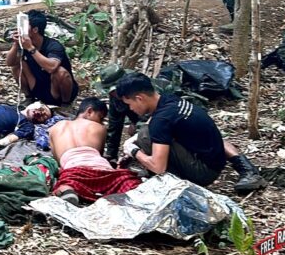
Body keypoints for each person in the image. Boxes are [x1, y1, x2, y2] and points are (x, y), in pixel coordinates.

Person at [115, 72, 266, 193]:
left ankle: (174, 180)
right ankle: (246, 168)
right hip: (215, 159)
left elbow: (158, 166)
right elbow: (156, 120)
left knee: (145, 136)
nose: (131, 109)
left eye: (130, 104)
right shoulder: (170, 100)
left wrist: (134, 151)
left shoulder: (161, 121)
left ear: (139, 98)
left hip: (204, 173)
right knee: (149, 132)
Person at [49, 97, 142, 205]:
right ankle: (132, 191)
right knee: (125, 180)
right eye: (101, 117)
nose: (101, 121)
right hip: (101, 169)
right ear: (89, 111)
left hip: (74, 170)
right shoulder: (99, 127)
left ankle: (69, 191)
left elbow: (58, 160)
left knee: (67, 183)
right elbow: (99, 153)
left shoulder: (54, 129)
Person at [6, 10, 79, 105]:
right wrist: (16, 44)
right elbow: (9, 63)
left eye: (24, 26)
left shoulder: (53, 46)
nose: (20, 28)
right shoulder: (23, 44)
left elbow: (51, 67)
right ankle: (29, 98)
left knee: (60, 72)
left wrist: (31, 48)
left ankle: (65, 105)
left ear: (35, 30)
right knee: (17, 65)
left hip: (57, 92)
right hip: (38, 87)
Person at [92, 64, 140, 161]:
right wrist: (111, 154)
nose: (111, 94)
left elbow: (151, 120)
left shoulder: (139, 90)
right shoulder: (115, 97)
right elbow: (114, 124)